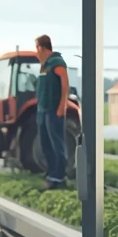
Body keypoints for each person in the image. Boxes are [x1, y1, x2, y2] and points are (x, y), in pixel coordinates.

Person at [34, 34, 70, 189]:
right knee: (45, 145)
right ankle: (51, 175)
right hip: (42, 110)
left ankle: (59, 178)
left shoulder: (57, 62)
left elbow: (65, 85)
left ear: (42, 47)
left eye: (37, 48)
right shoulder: (44, 65)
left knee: (57, 145)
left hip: (53, 111)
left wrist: (62, 106)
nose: (36, 52)